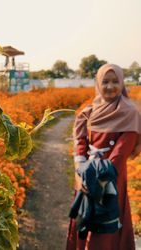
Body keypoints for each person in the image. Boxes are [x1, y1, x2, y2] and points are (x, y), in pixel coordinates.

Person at [66, 63, 141, 250]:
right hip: (84, 176)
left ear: (122, 83)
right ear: (98, 83)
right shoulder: (89, 112)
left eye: (115, 81)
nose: (110, 86)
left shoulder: (129, 113)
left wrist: (94, 179)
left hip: (110, 179)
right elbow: (81, 141)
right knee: (84, 219)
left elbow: (120, 153)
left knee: (106, 225)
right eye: (105, 81)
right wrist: (79, 170)